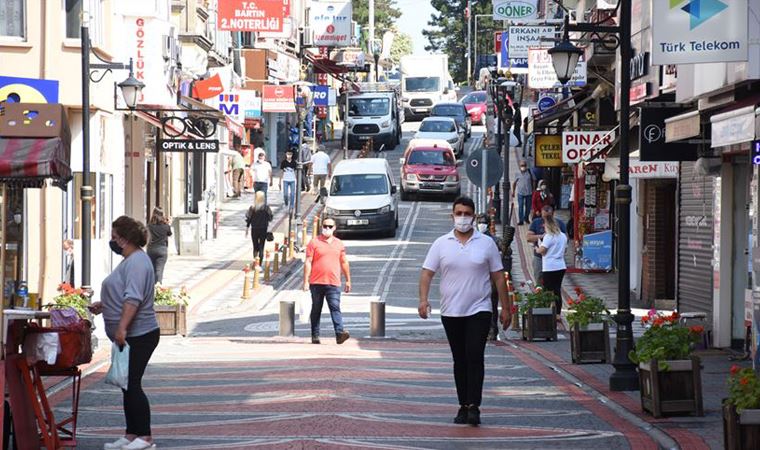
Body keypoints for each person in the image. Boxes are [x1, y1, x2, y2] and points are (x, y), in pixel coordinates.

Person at [419, 197, 511, 426]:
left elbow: (499, 277)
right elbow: (427, 273)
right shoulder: (441, 243)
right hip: (451, 311)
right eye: (458, 213)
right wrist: (423, 300)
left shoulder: (486, 243)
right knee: (459, 359)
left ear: (474, 216)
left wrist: (506, 308)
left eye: (467, 213)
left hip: (479, 309)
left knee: (474, 354)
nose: (463, 218)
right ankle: (462, 404)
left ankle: (474, 406)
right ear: (452, 216)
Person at [88, 216, 160, 450]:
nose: (112, 241)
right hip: (131, 333)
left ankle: (145, 437)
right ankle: (132, 434)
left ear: (125, 239)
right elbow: (123, 294)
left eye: (114, 237)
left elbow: (133, 298)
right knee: (126, 384)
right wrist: (105, 304)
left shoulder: (137, 262)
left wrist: (121, 327)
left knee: (132, 383)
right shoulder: (130, 260)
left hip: (140, 333)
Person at [303, 216, 351, 345]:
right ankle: (315, 335)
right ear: (321, 227)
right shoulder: (314, 242)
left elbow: (344, 262)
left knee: (335, 307)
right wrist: (306, 281)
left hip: (333, 283)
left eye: (330, 226)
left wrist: (348, 280)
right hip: (316, 282)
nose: (327, 228)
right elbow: (308, 262)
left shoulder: (339, 244)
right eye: (325, 226)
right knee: (316, 309)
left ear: (334, 228)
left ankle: (339, 333)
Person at [535, 212, 568, 320]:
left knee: (548, 290)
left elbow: (542, 250)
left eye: (544, 225)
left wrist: (537, 249)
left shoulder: (549, 237)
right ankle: (558, 313)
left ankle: (547, 311)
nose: (543, 227)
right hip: (561, 266)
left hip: (549, 267)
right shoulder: (563, 236)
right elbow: (565, 250)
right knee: (557, 289)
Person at [526, 205, 567, 286]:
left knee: (551, 286)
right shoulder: (536, 222)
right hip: (539, 258)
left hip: (552, 262)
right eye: (544, 216)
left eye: (548, 217)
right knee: (539, 279)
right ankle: (540, 295)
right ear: (541, 213)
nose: (546, 220)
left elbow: (565, 240)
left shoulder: (560, 224)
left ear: (553, 214)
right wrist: (541, 237)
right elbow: (528, 238)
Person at [245, 191, 273, 268]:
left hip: (254, 229)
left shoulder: (252, 208)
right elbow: (271, 217)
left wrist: (247, 228)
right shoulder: (266, 208)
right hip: (263, 229)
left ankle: (255, 261)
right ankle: (259, 264)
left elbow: (248, 218)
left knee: (255, 246)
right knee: (261, 246)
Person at [146, 207, 172, 284]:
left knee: (152, 270)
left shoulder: (150, 226)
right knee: (159, 270)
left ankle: (151, 289)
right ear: (162, 215)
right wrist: (168, 224)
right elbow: (169, 233)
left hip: (151, 249)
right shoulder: (166, 226)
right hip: (162, 250)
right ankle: (158, 289)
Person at [512, 160, 534, 225]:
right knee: (520, 206)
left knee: (528, 207)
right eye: (521, 165)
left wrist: (533, 189)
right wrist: (513, 192)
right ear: (519, 166)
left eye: (524, 165)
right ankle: (521, 220)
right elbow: (514, 183)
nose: (523, 167)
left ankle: (526, 218)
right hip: (520, 193)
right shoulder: (517, 173)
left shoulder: (530, 172)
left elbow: (534, 180)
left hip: (529, 193)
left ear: (526, 166)